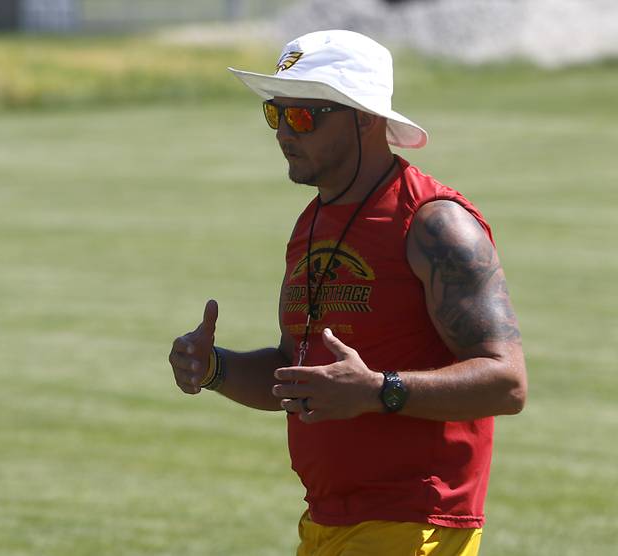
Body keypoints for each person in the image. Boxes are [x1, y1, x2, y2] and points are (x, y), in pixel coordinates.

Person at [168, 30, 527, 556]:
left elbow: (507, 382)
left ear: (364, 117)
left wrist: (378, 390)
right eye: (276, 114)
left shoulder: (435, 224)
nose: (283, 133)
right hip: (326, 522)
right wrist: (217, 369)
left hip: (414, 523)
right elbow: (302, 373)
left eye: (302, 116)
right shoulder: (312, 223)